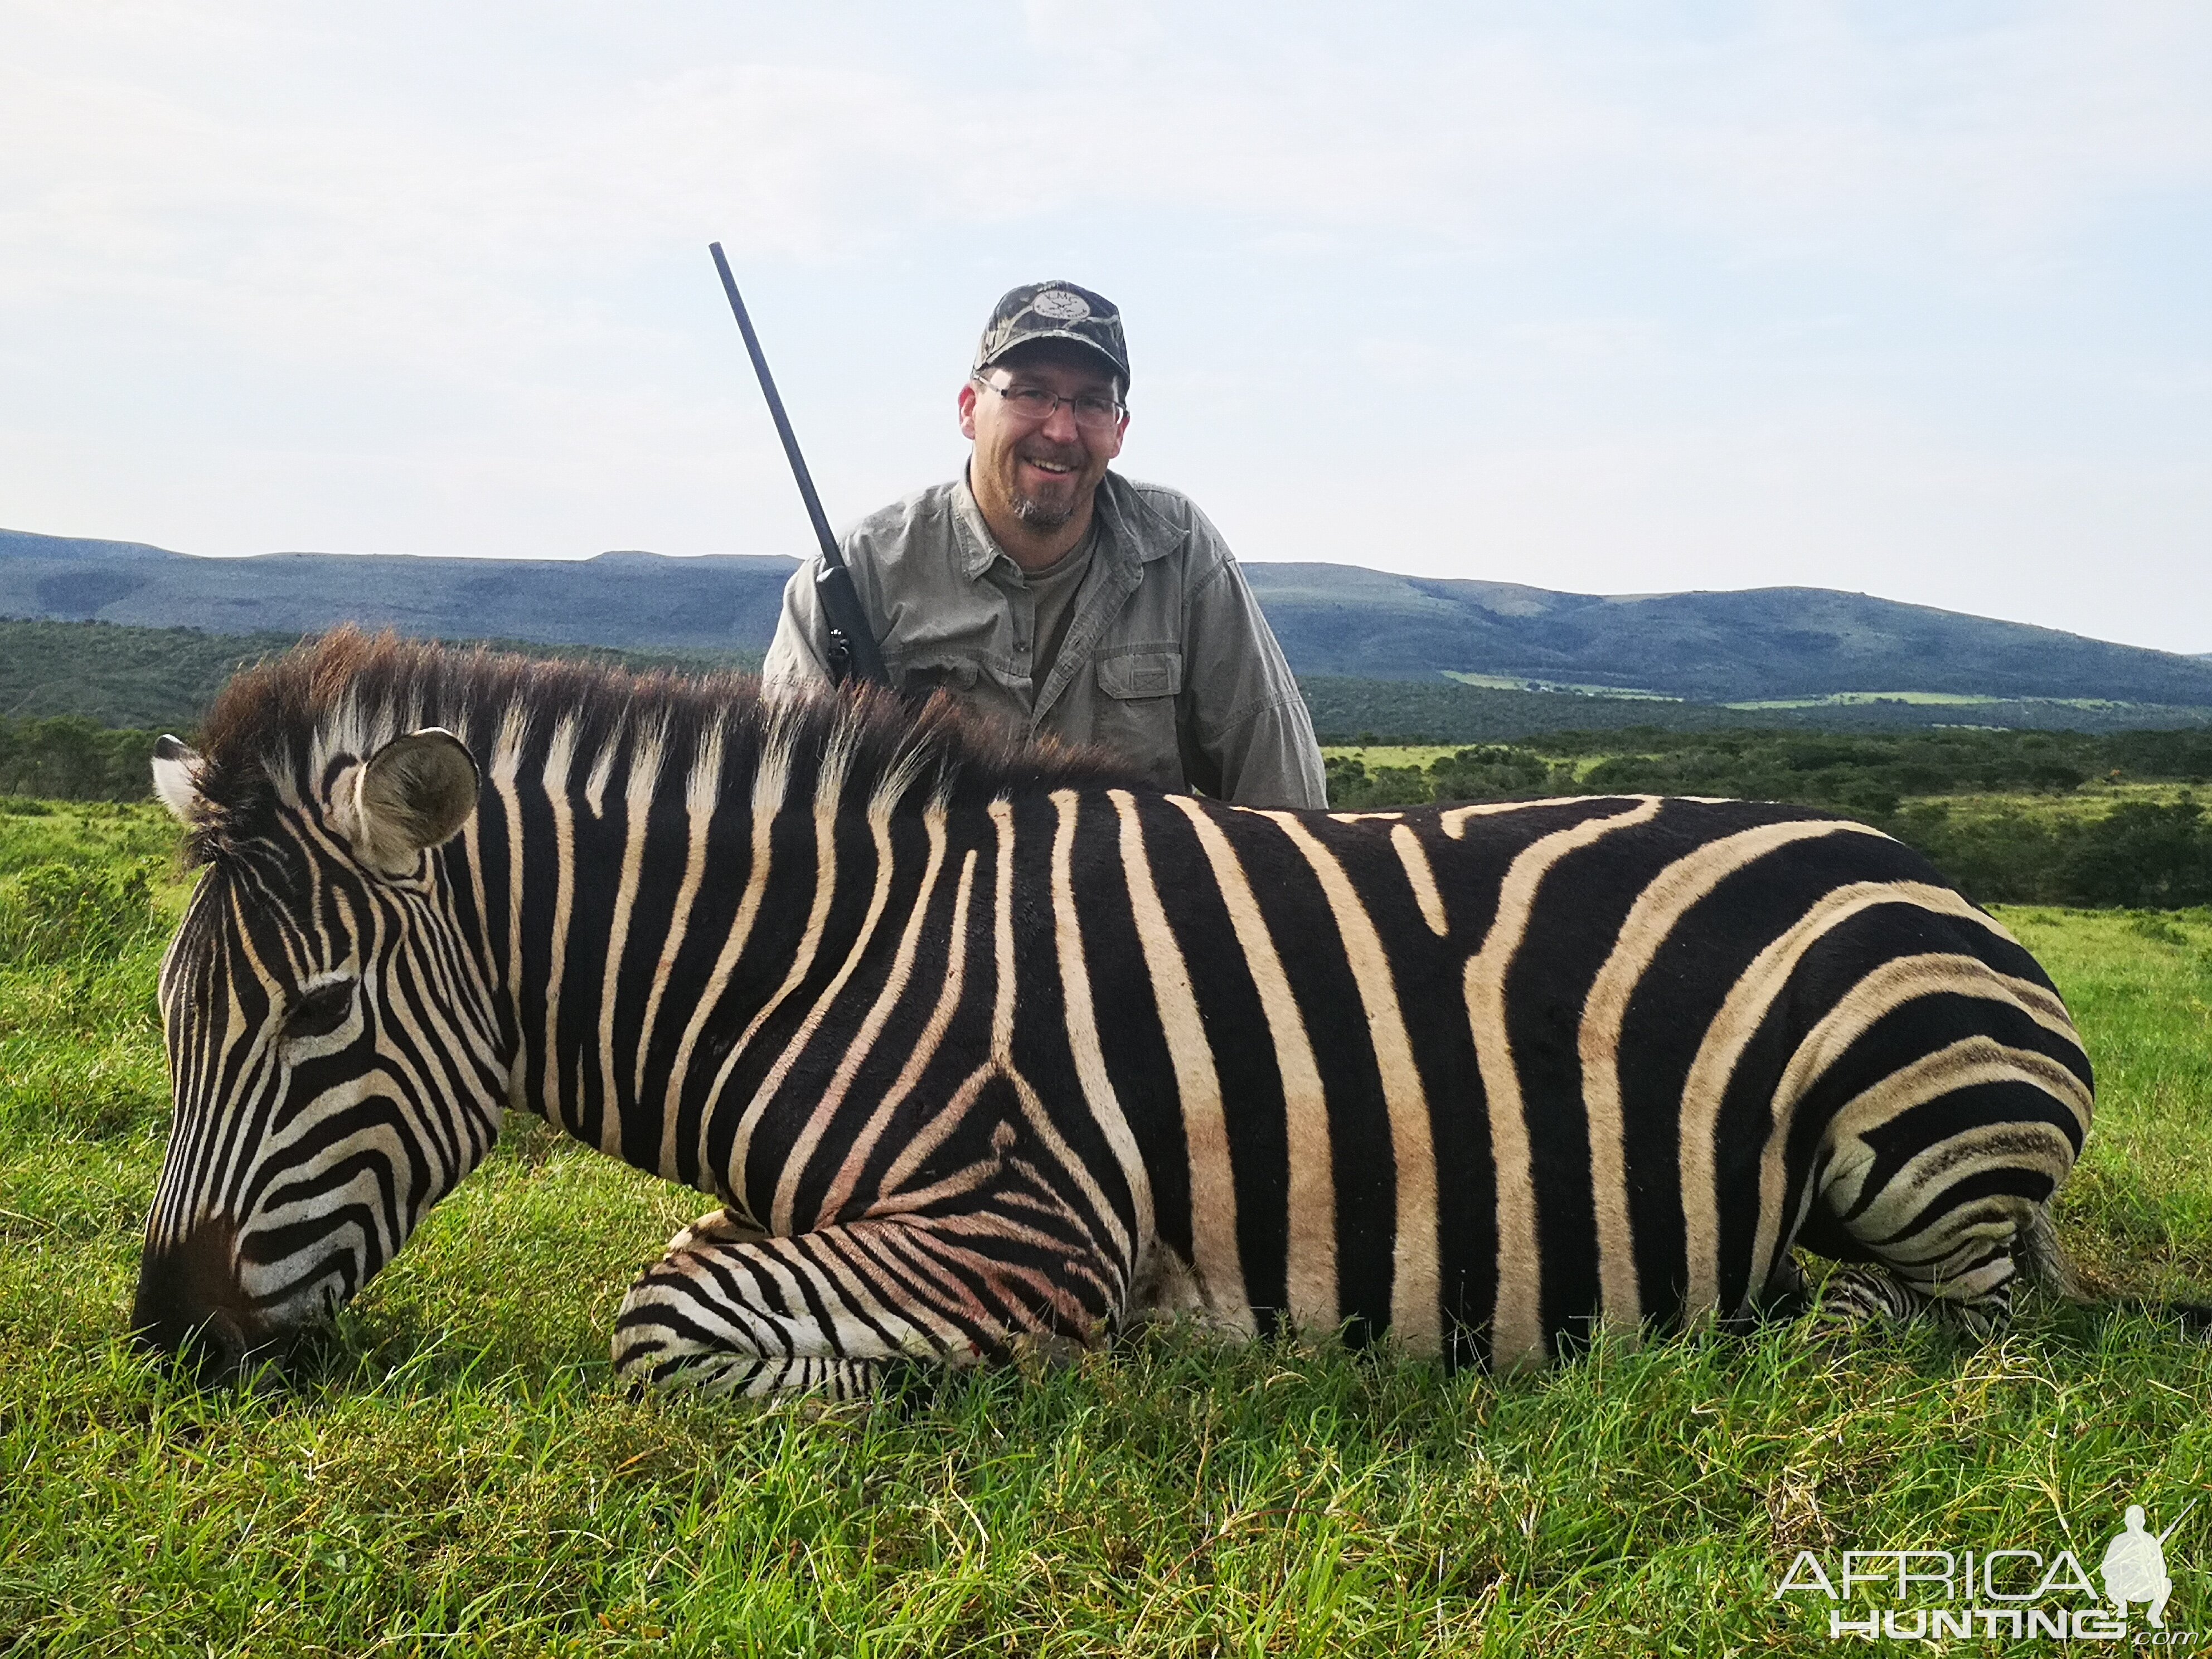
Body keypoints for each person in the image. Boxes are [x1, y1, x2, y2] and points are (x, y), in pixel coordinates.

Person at [761, 280, 1327, 809]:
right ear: (968, 409)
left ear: (1119, 430)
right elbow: (777, 822)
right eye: (1031, 393)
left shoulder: (1178, 552)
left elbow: (1283, 794)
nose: (1060, 430)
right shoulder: (855, 574)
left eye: (1090, 403)